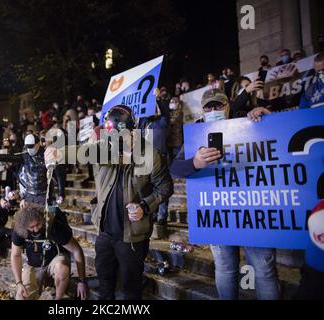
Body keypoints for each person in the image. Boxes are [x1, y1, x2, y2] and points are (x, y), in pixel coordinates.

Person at [171, 90, 281, 300]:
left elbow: (277, 143)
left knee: (264, 270)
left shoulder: (248, 120)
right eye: (209, 107)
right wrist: (195, 162)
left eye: (218, 106)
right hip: (217, 212)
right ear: (202, 110)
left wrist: (266, 119)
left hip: (253, 210)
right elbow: (175, 168)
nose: (213, 111)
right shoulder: (195, 133)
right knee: (225, 268)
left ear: (228, 106)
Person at [88, 105, 173, 300]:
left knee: (131, 289)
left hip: (132, 236)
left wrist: (144, 206)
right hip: (104, 233)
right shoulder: (101, 151)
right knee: (105, 285)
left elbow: (165, 188)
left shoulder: (151, 155)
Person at [11, 204, 88, 300]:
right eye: (31, 227)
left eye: (38, 224)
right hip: (33, 264)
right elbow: (15, 255)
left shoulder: (53, 226)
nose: (36, 229)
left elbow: (77, 250)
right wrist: (19, 283)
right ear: (25, 226)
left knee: (61, 269)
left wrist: (81, 281)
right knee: (21, 297)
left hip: (54, 260)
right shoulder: (19, 230)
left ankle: (58, 299)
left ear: (42, 220)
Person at [0, 134, 65, 207]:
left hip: (43, 194)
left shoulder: (47, 156)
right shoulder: (26, 157)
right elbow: (10, 157)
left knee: (40, 216)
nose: (29, 149)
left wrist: (61, 193)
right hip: (29, 194)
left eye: (31, 146)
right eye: (27, 147)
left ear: (38, 144)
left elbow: (59, 175)